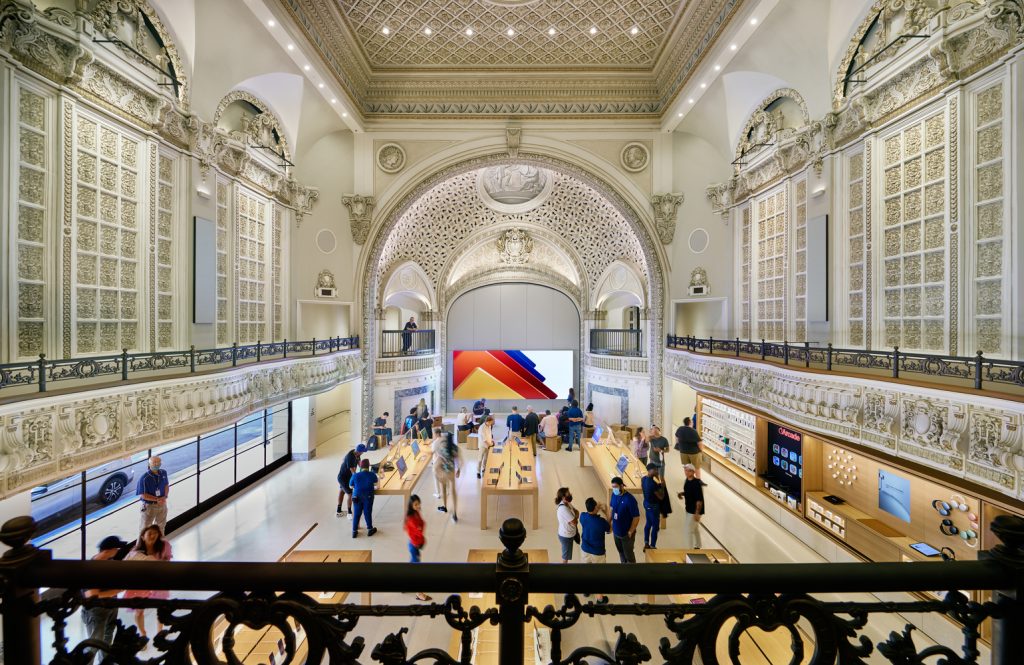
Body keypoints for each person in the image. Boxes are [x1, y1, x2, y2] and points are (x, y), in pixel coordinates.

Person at [82, 535, 128, 663]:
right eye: (116, 548)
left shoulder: (109, 563)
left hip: (110, 608)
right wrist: (117, 591)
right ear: (108, 550)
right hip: (96, 611)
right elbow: (90, 595)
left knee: (107, 643)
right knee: (94, 645)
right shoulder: (92, 568)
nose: (118, 550)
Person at [122, 525, 172, 639]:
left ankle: (160, 632)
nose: (153, 535)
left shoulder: (164, 547)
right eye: (150, 533)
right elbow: (125, 567)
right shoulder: (135, 553)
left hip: (158, 582)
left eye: (155, 533)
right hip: (140, 585)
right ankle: (143, 633)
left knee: (161, 607)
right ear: (142, 537)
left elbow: (167, 562)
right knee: (139, 611)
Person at [578, 498, 611, 604]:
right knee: (599, 575)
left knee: (586, 571)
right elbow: (609, 529)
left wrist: (597, 508)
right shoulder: (600, 522)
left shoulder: (583, 517)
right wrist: (605, 512)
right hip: (597, 553)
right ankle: (600, 598)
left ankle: (586, 591)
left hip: (585, 550)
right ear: (596, 508)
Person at [403, 495, 432, 602]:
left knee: (412, 564)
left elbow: (422, 524)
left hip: (415, 544)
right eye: (415, 504)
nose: (418, 506)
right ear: (411, 506)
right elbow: (419, 529)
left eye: (418, 503)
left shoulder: (416, 513)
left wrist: (421, 527)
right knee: (417, 569)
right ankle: (419, 593)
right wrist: (420, 528)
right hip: (414, 545)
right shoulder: (411, 518)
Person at [609, 476, 640, 564]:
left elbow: (636, 517)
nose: (614, 489)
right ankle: (623, 567)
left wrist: (631, 531)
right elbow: (611, 509)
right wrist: (608, 522)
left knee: (629, 555)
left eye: (616, 487)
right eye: (613, 487)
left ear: (622, 486)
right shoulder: (614, 495)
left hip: (626, 534)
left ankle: (631, 572)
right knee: (621, 553)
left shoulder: (630, 499)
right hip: (616, 532)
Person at [136, 456, 169, 533]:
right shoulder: (144, 478)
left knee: (161, 527)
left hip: (162, 504)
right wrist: (157, 500)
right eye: (154, 462)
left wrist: (165, 497)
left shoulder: (163, 473)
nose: (156, 464)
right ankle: (142, 545)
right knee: (144, 530)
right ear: (149, 464)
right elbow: (143, 495)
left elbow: (166, 485)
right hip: (149, 506)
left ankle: (160, 544)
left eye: (158, 462)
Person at [434, 432, 461, 522]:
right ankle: (455, 513)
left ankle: (445, 507)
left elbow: (438, 458)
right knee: (453, 492)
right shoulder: (454, 448)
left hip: (443, 472)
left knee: (444, 490)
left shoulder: (441, 447)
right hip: (451, 471)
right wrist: (458, 470)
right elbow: (457, 460)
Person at [677, 464, 705, 549]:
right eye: (685, 470)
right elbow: (689, 492)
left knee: (688, 530)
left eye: (688, 470)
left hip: (694, 511)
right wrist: (682, 494)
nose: (686, 472)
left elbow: (699, 500)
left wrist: (697, 513)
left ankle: (689, 550)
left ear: (693, 472)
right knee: (695, 528)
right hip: (688, 508)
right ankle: (698, 545)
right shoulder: (687, 480)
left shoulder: (696, 483)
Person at [350, 458, 379, 537]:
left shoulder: (355, 475)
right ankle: (370, 529)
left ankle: (354, 531)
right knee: (367, 512)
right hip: (368, 496)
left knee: (356, 513)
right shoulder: (372, 474)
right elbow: (376, 485)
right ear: (368, 466)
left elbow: (351, 486)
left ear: (360, 467)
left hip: (357, 497)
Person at [641, 463, 666, 551]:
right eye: (655, 470)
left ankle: (646, 542)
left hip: (646, 504)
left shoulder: (643, 479)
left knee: (648, 523)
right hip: (653, 507)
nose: (656, 471)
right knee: (655, 526)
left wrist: (658, 480)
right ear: (650, 470)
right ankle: (652, 545)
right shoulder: (652, 484)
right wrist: (662, 486)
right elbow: (661, 497)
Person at [675, 417, 706, 484]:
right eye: (692, 421)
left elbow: (676, 438)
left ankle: (689, 479)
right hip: (694, 452)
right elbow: (699, 443)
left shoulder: (680, 429)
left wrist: (679, 445)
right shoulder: (693, 431)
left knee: (686, 466)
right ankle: (698, 481)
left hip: (683, 451)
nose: (693, 422)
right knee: (697, 467)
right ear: (690, 423)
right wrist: (701, 451)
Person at [337, 444, 366, 517]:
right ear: (359, 451)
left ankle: (339, 510)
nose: (363, 453)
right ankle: (349, 513)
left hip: (347, 476)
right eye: (362, 452)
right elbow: (352, 470)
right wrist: (358, 478)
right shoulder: (350, 457)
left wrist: (365, 470)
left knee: (342, 491)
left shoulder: (357, 454)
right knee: (350, 494)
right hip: (343, 478)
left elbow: (360, 464)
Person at [555, 487, 579, 564]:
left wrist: (575, 517)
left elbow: (576, 511)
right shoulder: (563, 509)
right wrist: (575, 517)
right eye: (568, 494)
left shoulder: (567, 503)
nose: (570, 495)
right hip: (566, 536)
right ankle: (563, 570)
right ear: (563, 497)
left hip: (569, 533)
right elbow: (575, 522)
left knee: (566, 554)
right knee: (565, 557)